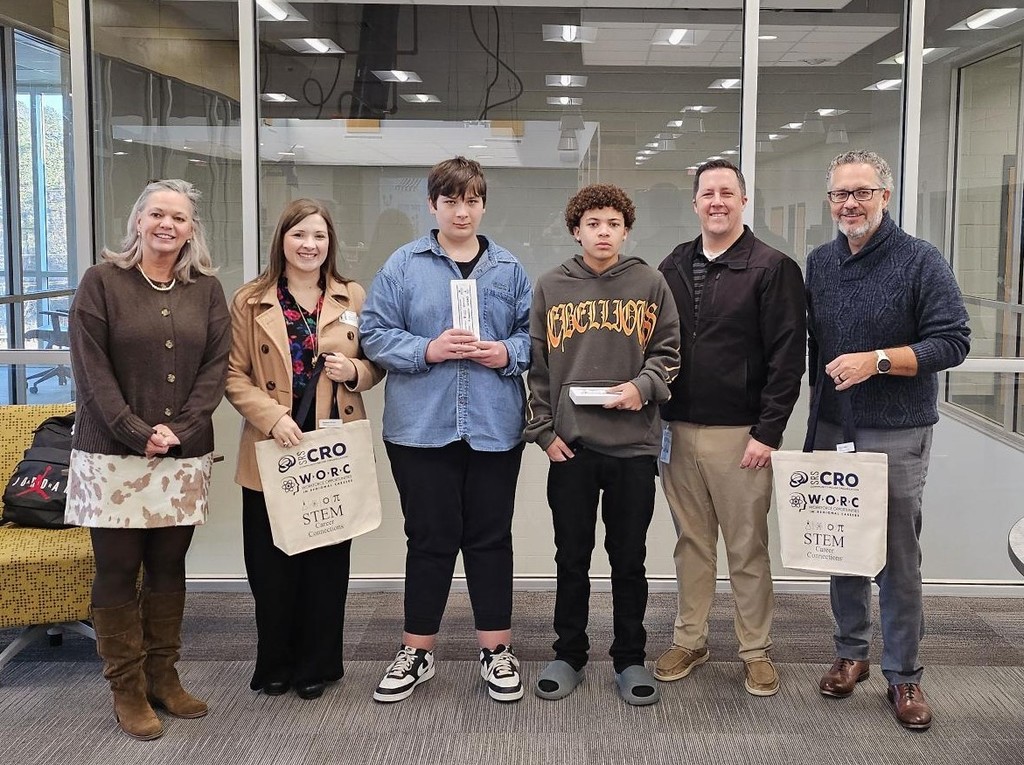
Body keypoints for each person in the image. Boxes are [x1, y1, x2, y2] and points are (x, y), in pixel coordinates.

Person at [805, 150, 970, 730]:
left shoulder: (921, 261)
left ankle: (905, 676)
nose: (850, 203)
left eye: (862, 192)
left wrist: (877, 361)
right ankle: (851, 653)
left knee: (896, 557)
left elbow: (952, 342)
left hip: (896, 429)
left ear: (886, 196)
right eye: (840, 195)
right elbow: (813, 349)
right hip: (833, 428)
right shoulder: (819, 263)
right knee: (842, 547)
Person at [360, 157, 532, 704]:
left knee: (490, 539)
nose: (463, 210)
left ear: (483, 205)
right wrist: (425, 349)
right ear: (433, 205)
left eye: (472, 200)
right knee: (429, 541)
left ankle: (496, 650)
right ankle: (417, 651)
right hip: (420, 429)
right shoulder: (403, 265)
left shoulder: (508, 269)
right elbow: (373, 334)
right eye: (451, 200)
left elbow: (537, 337)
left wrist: (507, 351)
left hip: (493, 427)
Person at [66, 179, 230, 740]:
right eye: (157, 214)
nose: (167, 225)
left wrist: (178, 431)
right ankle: (127, 690)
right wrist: (137, 432)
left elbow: (215, 368)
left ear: (191, 231)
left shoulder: (206, 289)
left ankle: (164, 676)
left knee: (168, 565)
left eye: (179, 218)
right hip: (112, 454)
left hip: (182, 456)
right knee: (116, 569)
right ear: (138, 221)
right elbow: (91, 373)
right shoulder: (102, 283)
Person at [653, 159, 806, 697]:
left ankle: (755, 649)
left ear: (743, 201)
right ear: (695, 203)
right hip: (677, 429)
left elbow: (789, 359)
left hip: (741, 433)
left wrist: (768, 432)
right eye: (707, 193)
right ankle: (690, 638)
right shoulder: (672, 265)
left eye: (727, 192)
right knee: (690, 543)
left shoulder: (772, 268)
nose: (716, 201)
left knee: (746, 545)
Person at [524, 183, 680, 706]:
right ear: (576, 230)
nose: (604, 232)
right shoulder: (550, 286)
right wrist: (544, 433)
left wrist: (643, 387)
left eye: (613, 223)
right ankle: (568, 652)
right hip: (572, 448)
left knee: (628, 559)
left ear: (626, 230)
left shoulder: (650, 282)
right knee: (571, 557)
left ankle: (630, 657)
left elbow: (670, 353)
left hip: (633, 448)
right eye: (593, 223)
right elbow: (537, 369)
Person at [225, 198, 384, 701]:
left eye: (318, 236)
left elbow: (377, 363)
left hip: (333, 447)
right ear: (283, 241)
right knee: (272, 564)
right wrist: (272, 420)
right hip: (274, 448)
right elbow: (233, 375)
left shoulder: (351, 295)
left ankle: (317, 663)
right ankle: (275, 662)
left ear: (330, 243)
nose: (309, 245)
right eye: (299, 235)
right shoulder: (250, 299)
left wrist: (354, 372)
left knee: (327, 563)